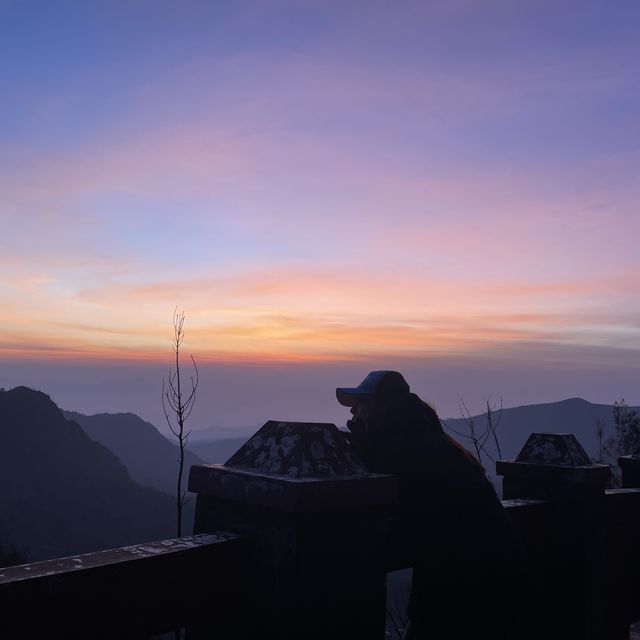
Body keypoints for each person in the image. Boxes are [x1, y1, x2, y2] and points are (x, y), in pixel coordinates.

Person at [336, 371, 523, 639]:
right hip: (486, 579)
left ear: (382, 407)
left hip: (466, 588)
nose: (353, 411)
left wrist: (364, 457)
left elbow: (387, 501)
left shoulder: (406, 449)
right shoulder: (427, 440)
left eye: (360, 403)